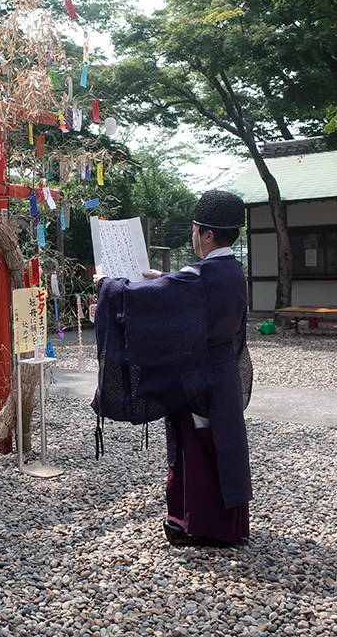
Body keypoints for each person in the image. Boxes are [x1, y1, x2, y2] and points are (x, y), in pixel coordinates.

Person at [92, 190, 252, 547]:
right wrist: (162, 278)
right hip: (220, 369)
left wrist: (106, 285)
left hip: (201, 374)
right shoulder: (230, 270)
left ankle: (204, 526)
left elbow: (146, 300)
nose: (193, 237)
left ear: (207, 235)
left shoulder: (200, 276)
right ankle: (220, 523)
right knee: (219, 446)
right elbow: (188, 295)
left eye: (195, 231)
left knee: (199, 449)